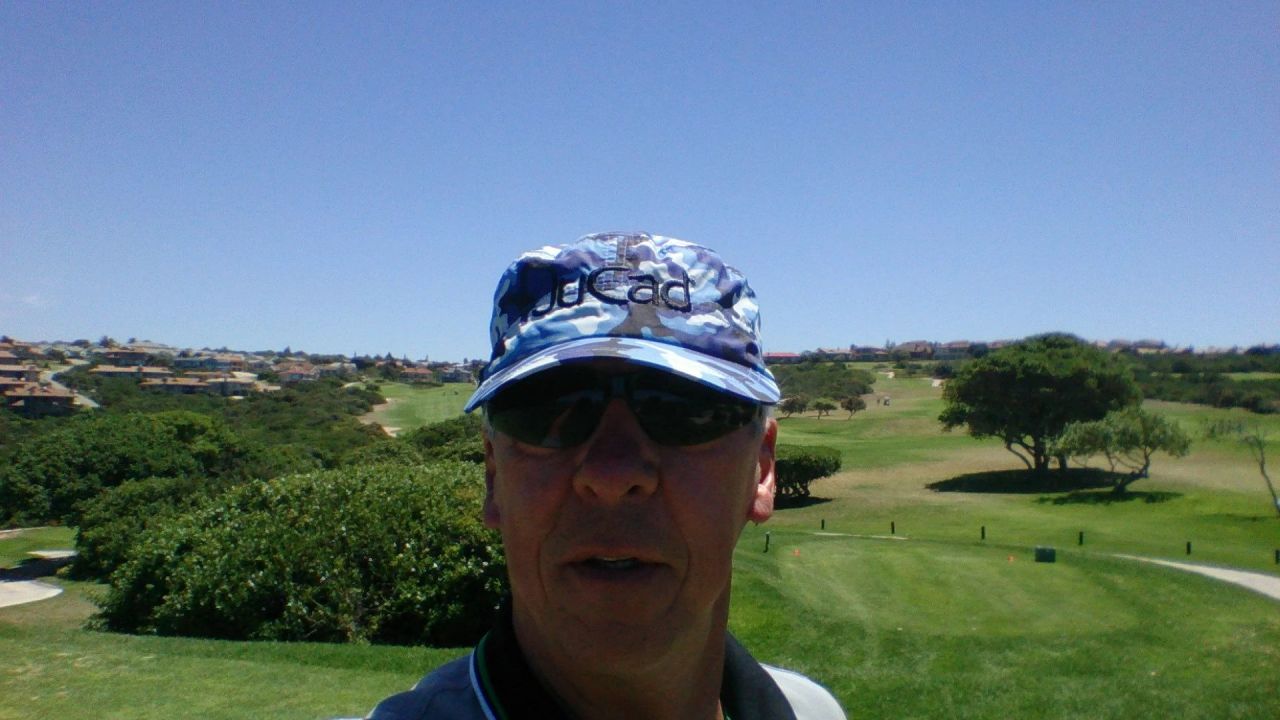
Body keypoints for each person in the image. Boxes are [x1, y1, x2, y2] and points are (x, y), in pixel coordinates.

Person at [367, 232, 845, 720]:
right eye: (547, 411)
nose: (611, 474)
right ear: (494, 475)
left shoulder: (814, 712)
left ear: (761, 471)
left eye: (684, 410)